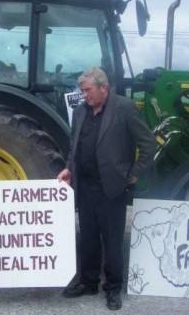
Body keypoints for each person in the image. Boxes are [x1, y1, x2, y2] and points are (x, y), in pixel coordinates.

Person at [58, 66, 156, 310]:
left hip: (112, 188)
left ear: (104, 88)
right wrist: (69, 167)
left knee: (112, 242)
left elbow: (148, 144)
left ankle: (112, 288)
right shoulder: (80, 111)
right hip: (86, 186)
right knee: (89, 239)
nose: (84, 95)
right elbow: (75, 145)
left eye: (88, 90)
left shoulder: (124, 108)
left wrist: (132, 175)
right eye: (82, 91)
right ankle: (88, 282)